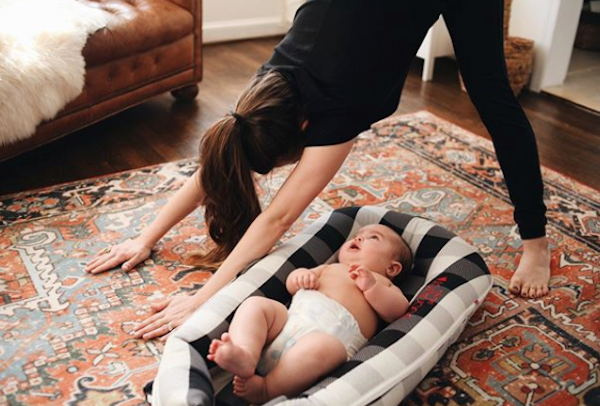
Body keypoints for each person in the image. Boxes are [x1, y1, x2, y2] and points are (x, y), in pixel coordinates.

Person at [85, 0, 550, 342]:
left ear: (304, 127)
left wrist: (201, 297)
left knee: (492, 98)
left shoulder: (336, 105)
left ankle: (536, 242)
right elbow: (226, 154)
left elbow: (278, 218)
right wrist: (147, 236)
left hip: (358, 49)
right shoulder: (273, 81)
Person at [207, 224, 412, 404]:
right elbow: (292, 284)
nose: (359, 238)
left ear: (392, 268)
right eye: (358, 234)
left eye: (373, 237)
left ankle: (267, 389)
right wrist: (300, 276)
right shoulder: (330, 267)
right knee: (255, 305)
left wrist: (372, 287)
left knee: (324, 347)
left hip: (329, 341)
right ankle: (245, 354)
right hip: (287, 322)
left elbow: (397, 311)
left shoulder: (383, 283)